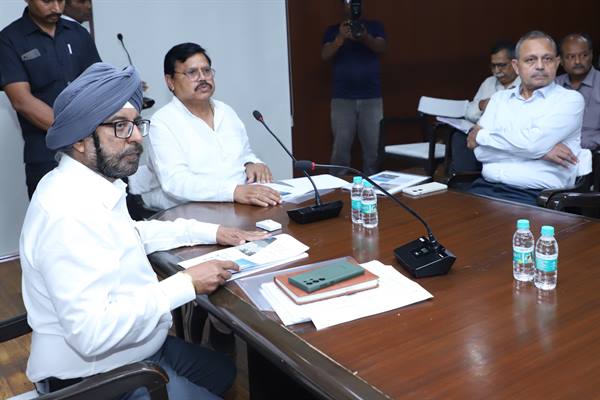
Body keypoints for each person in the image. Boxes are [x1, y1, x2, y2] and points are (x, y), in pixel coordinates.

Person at [20, 62, 268, 399]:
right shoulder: (66, 213)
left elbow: (131, 235)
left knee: (223, 372)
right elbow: (91, 333)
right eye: (121, 126)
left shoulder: (87, 183)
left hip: (136, 353)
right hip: (95, 379)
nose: (137, 137)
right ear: (79, 139)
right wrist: (186, 284)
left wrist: (212, 232)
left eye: (136, 124)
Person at [137, 42, 281, 210]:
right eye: (192, 72)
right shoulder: (162, 122)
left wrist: (252, 163)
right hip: (191, 213)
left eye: (206, 70)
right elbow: (176, 181)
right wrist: (233, 192)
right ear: (170, 81)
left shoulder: (226, 112)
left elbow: (244, 154)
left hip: (241, 205)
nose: (202, 78)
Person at [466, 31, 585, 206]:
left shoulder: (570, 100)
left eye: (547, 59)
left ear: (557, 62)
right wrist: (541, 152)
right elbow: (479, 152)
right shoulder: (499, 99)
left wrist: (482, 136)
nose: (540, 66)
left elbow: (532, 145)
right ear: (516, 66)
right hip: (485, 187)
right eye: (530, 60)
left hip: (536, 196)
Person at [0, 0, 101, 198]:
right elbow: (22, 101)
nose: (56, 8)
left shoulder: (78, 33)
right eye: (47, 1)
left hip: (92, 150)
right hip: (47, 155)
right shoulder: (9, 39)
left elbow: (98, 85)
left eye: (61, 0)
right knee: (54, 214)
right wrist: (77, 132)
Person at [321, 0, 386, 175]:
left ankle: (373, 184)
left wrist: (365, 37)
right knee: (340, 148)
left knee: (373, 149)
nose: (353, 6)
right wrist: (340, 38)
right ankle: (337, 184)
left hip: (371, 97)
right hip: (342, 98)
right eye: (349, 2)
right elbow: (325, 55)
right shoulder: (333, 30)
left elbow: (381, 47)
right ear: (344, 5)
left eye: (356, 2)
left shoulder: (374, 26)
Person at [450, 42, 521, 173]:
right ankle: (463, 179)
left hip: (508, 134)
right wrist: (482, 105)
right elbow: (469, 114)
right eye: (493, 66)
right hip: (482, 132)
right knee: (459, 136)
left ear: (515, 63)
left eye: (502, 65)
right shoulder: (488, 83)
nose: (497, 71)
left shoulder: (525, 84)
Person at [556, 33, 600, 150]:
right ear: (561, 60)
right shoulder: (554, 85)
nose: (577, 61)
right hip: (557, 153)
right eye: (571, 57)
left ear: (591, 55)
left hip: (594, 151)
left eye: (584, 55)